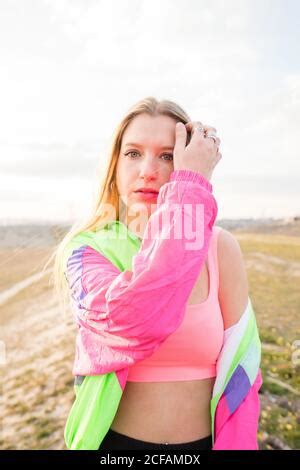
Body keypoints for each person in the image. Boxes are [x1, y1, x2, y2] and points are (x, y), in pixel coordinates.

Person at [51, 97, 262, 451]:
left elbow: (244, 371)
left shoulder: (220, 248)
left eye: (167, 155)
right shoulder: (87, 250)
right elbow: (137, 322)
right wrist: (191, 186)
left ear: (187, 159)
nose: (147, 169)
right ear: (115, 165)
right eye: (133, 153)